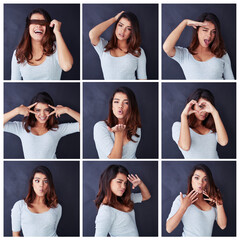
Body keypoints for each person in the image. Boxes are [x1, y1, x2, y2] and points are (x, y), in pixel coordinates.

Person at [4, 91, 80, 159]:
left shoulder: (57, 129)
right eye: (38, 110)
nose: (42, 114)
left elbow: (83, 125)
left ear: (51, 111)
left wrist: (67, 110)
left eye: (46, 110)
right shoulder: (22, 127)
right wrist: (17, 111)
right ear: (32, 110)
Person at [163, 12, 234, 80]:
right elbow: (167, 48)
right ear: (197, 30)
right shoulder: (184, 54)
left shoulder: (222, 54)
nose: (209, 35)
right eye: (205, 30)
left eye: (213, 32)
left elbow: (231, 80)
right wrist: (185, 22)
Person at [11, 8, 73, 80]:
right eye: (34, 22)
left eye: (43, 23)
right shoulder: (18, 53)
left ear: (48, 26)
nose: (38, 26)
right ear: (28, 27)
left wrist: (57, 32)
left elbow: (67, 66)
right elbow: (15, 80)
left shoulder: (56, 47)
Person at [166, 164, 227, 236]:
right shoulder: (182, 199)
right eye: (197, 178)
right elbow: (169, 229)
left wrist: (219, 204)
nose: (200, 182)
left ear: (208, 182)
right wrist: (183, 207)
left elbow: (223, 226)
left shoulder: (212, 200)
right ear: (191, 180)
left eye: (205, 179)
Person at [94, 164, 151, 237]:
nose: (124, 186)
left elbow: (146, 196)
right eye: (119, 182)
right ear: (108, 182)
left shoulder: (124, 199)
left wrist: (140, 183)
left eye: (125, 183)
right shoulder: (105, 210)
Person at [89, 11, 147, 80]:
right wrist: (114, 19)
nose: (122, 31)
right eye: (120, 25)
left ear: (132, 32)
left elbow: (142, 79)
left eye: (128, 28)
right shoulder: (104, 47)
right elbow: (92, 34)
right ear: (116, 26)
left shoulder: (138, 52)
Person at [172, 88, 228, 159]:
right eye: (201, 106)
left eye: (207, 107)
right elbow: (185, 146)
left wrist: (214, 112)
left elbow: (224, 142)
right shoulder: (178, 126)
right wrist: (184, 115)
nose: (204, 111)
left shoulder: (212, 127)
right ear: (192, 105)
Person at [11, 166, 62, 237]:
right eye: (37, 181)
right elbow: (15, 235)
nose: (41, 185)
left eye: (45, 181)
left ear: (49, 185)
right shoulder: (19, 206)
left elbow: (53, 230)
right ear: (32, 183)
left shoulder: (57, 207)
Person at [94, 87, 141, 159]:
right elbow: (114, 158)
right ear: (112, 106)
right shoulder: (101, 127)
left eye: (126, 102)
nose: (120, 106)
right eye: (116, 102)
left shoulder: (136, 128)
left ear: (131, 107)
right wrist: (119, 133)